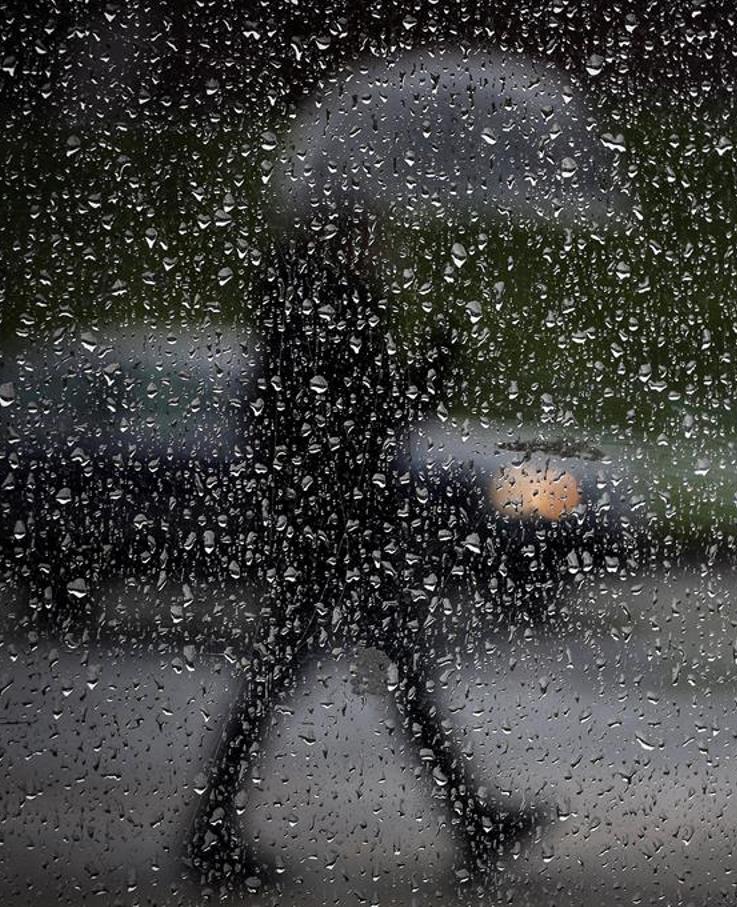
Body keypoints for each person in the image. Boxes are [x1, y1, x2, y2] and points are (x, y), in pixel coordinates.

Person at [185, 46, 623, 889]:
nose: (380, 238)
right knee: (320, 672)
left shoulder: (319, 297)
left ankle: (467, 818)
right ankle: (455, 819)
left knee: (360, 670)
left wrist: (418, 368)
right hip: (331, 520)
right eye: (368, 227)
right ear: (342, 227)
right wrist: (431, 369)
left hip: (335, 516)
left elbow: (348, 414)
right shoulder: (320, 302)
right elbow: (345, 417)